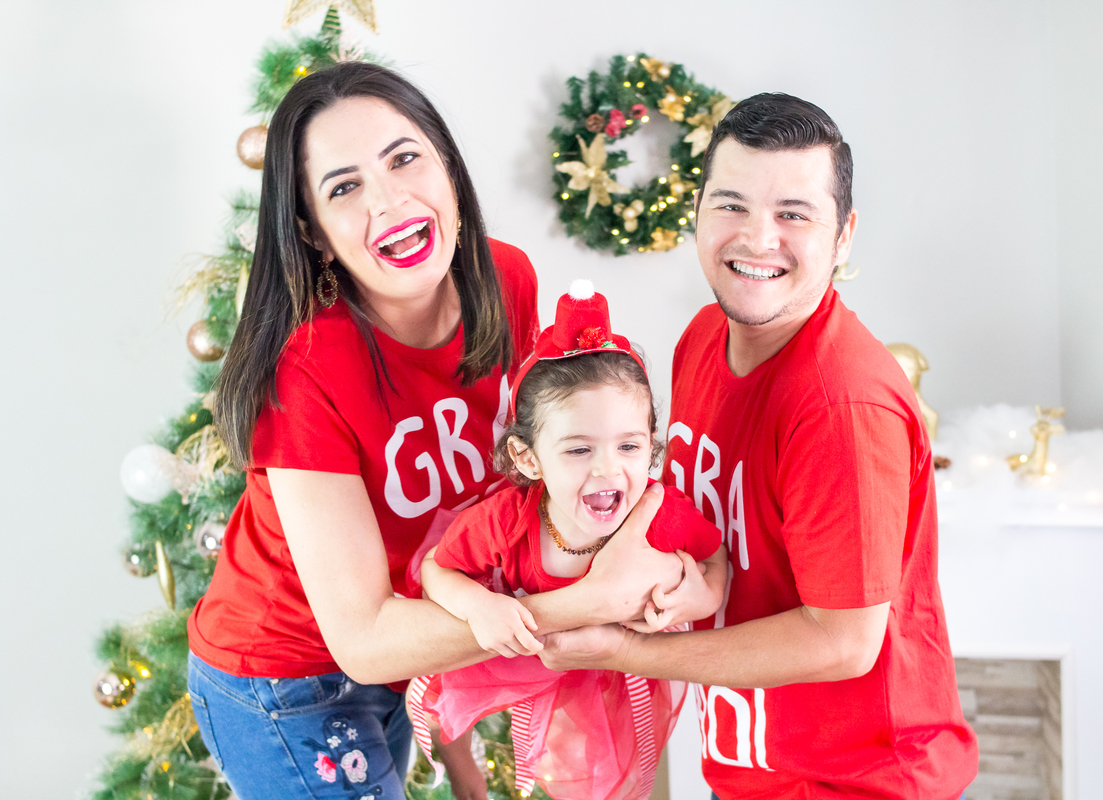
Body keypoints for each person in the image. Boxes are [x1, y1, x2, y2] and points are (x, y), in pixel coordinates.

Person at [184, 62, 683, 800]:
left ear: (448, 169)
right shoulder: (306, 372)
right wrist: (589, 601)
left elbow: (509, 498)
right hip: (287, 681)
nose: (389, 199)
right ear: (315, 236)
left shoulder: (506, 280)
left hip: (411, 651)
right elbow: (361, 640)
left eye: (404, 158)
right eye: (344, 187)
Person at [538, 94, 980, 799]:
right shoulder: (702, 341)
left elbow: (843, 642)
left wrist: (634, 650)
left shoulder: (842, 403)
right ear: (698, 211)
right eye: (731, 204)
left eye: (794, 215)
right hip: (754, 767)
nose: (757, 238)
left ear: (843, 236)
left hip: (857, 785)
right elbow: (713, 526)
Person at [407, 281, 728, 800]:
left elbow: (716, 559)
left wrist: (701, 595)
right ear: (530, 459)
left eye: (628, 446)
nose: (608, 469)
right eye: (579, 450)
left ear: (650, 447)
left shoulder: (656, 514)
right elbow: (436, 570)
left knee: (616, 779)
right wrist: (476, 605)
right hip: (517, 670)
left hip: (618, 678)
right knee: (502, 762)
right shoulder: (507, 521)